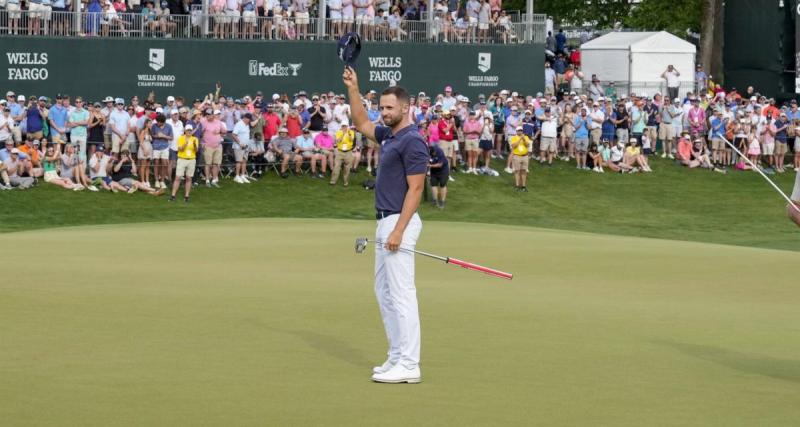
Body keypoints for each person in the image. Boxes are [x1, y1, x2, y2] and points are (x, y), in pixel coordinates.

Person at [343, 66, 428, 384]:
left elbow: (417, 190)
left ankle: (410, 363)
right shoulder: (390, 136)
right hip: (385, 221)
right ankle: (396, 355)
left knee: (402, 293)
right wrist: (354, 88)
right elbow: (361, 122)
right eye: (382, 107)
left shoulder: (413, 141)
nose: (384, 112)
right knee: (384, 292)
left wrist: (398, 230)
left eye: (390, 107)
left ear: (406, 107)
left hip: (398, 221)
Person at [170, 125, 199, 202]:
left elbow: (196, 150)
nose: (189, 132)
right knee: (177, 177)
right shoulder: (181, 138)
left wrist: (195, 145)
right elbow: (180, 149)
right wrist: (185, 144)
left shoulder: (195, 139)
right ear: (185, 131)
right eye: (188, 130)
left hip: (191, 160)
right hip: (182, 159)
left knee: (189, 178)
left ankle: (187, 196)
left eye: (190, 130)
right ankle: (173, 195)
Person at [231, 113, 252, 184]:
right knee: (239, 161)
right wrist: (240, 143)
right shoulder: (239, 124)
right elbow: (233, 135)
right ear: (245, 118)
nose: (249, 121)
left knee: (244, 161)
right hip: (239, 146)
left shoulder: (247, 125)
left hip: (246, 146)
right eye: (249, 119)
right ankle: (237, 176)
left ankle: (242, 175)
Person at [509, 126, 531, 191]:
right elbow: (513, 146)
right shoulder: (514, 138)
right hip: (517, 156)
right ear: (516, 131)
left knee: (524, 171)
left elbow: (527, 145)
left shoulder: (526, 137)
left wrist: (523, 139)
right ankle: (517, 185)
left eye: (521, 130)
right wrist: (519, 139)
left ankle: (523, 186)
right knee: (517, 171)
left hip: (525, 156)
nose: (520, 132)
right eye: (519, 130)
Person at [428, 142, 449, 208]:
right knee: (433, 184)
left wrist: (429, 165)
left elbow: (440, 164)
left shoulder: (440, 151)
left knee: (443, 184)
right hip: (434, 171)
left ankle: (442, 201)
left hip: (443, 170)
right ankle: (435, 201)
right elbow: (426, 160)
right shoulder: (427, 152)